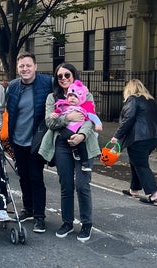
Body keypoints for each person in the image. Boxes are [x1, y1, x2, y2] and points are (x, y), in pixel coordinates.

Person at [38, 62, 100, 242]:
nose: (64, 78)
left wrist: (81, 135)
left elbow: (90, 118)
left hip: (83, 144)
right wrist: (68, 117)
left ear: (73, 76)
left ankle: (87, 224)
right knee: (66, 185)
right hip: (62, 145)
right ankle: (67, 222)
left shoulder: (85, 94)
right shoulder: (53, 98)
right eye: (60, 76)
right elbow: (49, 123)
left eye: (67, 75)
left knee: (82, 185)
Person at [5, 51, 52, 233]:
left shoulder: (47, 83)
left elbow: (68, 93)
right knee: (23, 176)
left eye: (28, 65)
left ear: (35, 67)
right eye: (22, 66)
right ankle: (28, 209)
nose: (25, 69)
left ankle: (40, 216)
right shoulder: (14, 86)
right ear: (18, 69)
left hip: (37, 140)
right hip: (18, 140)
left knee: (36, 177)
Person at [111, 79, 157, 205]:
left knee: (141, 165)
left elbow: (128, 119)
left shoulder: (132, 100)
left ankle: (153, 193)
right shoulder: (150, 100)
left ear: (129, 89)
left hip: (138, 138)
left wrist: (117, 136)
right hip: (153, 137)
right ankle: (134, 189)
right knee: (136, 161)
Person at [51, 80, 103, 171]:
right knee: (64, 136)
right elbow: (58, 113)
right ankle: (76, 151)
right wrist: (55, 115)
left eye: (75, 96)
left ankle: (85, 164)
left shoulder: (83, 108)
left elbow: (93, 117)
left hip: (78, 130)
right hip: (67, 129)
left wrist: (98, 124)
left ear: (81, 99)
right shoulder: (64, 106)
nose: (72, 98)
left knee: (82, 144)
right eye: (70, 96)